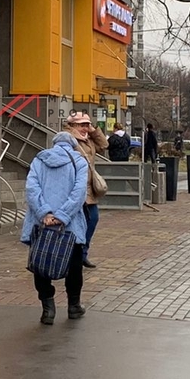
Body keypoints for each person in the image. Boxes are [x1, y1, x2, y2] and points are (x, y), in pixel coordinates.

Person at [22, 130, 89, 324]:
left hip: (42, 224)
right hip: (70, 226)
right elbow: (79, 193)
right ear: (73, 145)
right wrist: (62, 215)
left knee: (41, 264)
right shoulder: (79, 162)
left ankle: (47, 309)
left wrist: (45, 213)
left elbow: (31, 188)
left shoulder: (39, 160)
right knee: (75, 267)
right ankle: (74, 306)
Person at [66, 112, 108, 269]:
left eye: (87, 125)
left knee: (93, 219)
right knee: (78, 222)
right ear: (73, 125)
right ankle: (74, 253)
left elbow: (104, 145)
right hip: (75, 187)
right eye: (82, 125)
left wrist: (93, 130)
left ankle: (82, 253)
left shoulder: (88, 139)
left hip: (89, 188)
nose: (85, 128)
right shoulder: (69, 139)